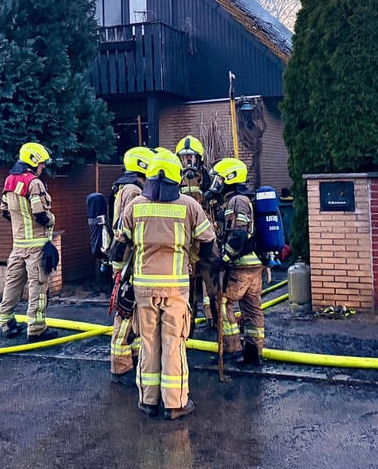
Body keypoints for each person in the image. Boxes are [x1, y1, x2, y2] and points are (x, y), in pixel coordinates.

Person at [112, 148, 216, 420]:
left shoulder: (134, 207)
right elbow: (208, 244)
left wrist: (120, 277)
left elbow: (118, 249)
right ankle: (175, 403)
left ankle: (148, 401)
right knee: (173, 343)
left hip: (143, 289)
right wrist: (197, 258)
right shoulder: (189, 206)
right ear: (176, 176)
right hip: (176, 289)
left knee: (148, 343)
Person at [0, 142, 59, 342]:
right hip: (37, 246)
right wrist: (51, 220)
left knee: (12, 284)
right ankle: (37, 329)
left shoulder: (9, 181)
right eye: (41, 164)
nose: (43, 167)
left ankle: (6, 322)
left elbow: (4, 210)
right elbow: (40, 213)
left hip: (18, 245)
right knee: (38, 287)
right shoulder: (34, 183)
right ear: (33, 162)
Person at [207, 157, 265, 366]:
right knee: (252, 308)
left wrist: (224, 258)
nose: (216, 184)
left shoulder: (236, 201)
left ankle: (233, 350)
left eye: (219, 179)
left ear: (230, 178)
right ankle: (254, 351)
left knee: (223, 304)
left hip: (241, 266)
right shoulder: (244, 198)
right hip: (255, 264)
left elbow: (239, 234)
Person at [108, 146, 154, 386]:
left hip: (128, 260)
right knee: (125, 313)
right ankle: (120, 365)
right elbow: (128, 230)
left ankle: (133, 357)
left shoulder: (124, 187)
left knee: (134, 313)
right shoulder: (134, 190)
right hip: (129, 262)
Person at [175, 136, 216, 331]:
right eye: (184, 158)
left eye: (191, 157)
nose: (188, 162)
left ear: (199, 159)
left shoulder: (207, 178)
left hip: (204, 237)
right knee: (187, 286)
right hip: (185, 239)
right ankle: (187, 326)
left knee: (211, 282)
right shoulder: (174, 178)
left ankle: (214, 320)